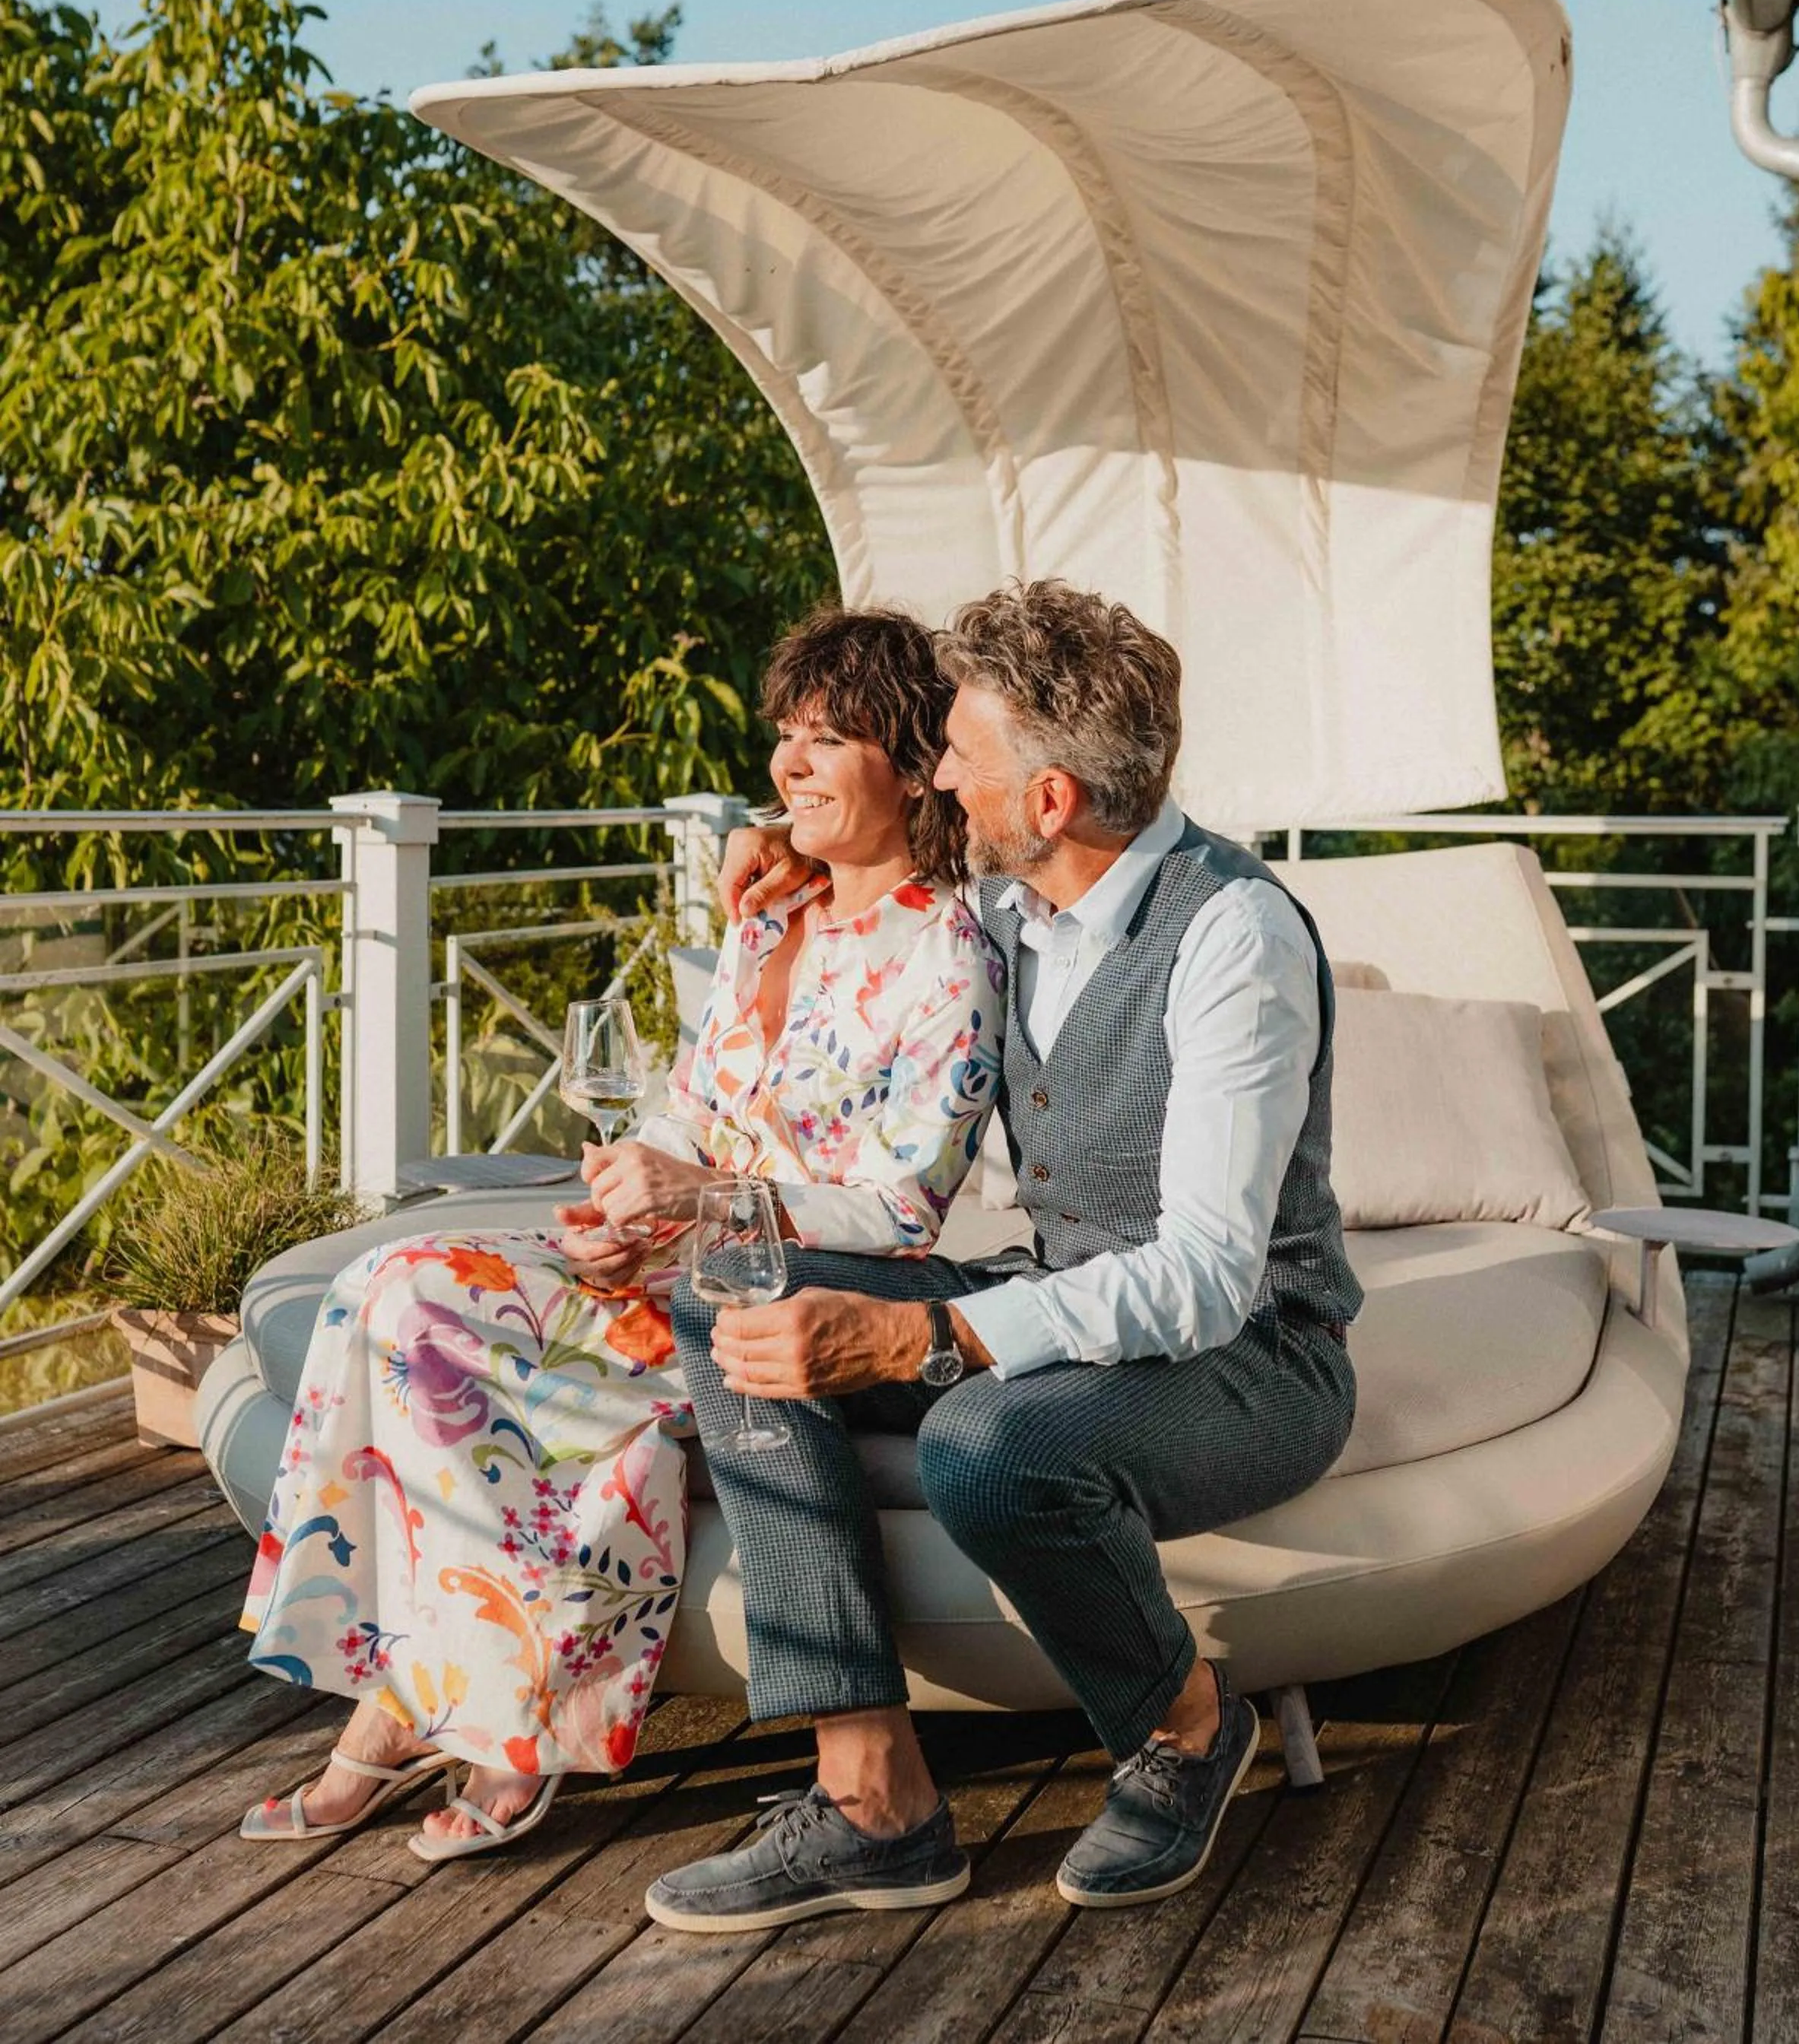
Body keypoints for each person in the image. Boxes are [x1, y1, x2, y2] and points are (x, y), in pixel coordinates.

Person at [645, 578, 1361, 1931]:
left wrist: (929, 1338)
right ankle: (873, 1798)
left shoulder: (1232, 936)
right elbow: (872, 868)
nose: (936, 784)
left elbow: (1209, 1276)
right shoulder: (1022, 902)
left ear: (1047, 802)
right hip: (1076, 1295)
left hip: (1258, 1357)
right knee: (737, 1283)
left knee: (988, 1444)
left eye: (957, 763)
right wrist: (777, 843)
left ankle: (1189, 1728)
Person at [237, 607, 1003, 1862]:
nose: (790, 766)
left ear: (917, 766)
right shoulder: (769, 915)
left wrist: (694, 1205)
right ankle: (409, 1692)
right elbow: (694, 1116)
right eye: (785, 737)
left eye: (830, 738)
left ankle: (480, 1724)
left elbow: (898, 1212)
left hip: (781, 1290)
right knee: (390, 1285)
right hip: (672, 1263)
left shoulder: (950, 954)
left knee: (523, 1380)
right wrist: (624, 1207)